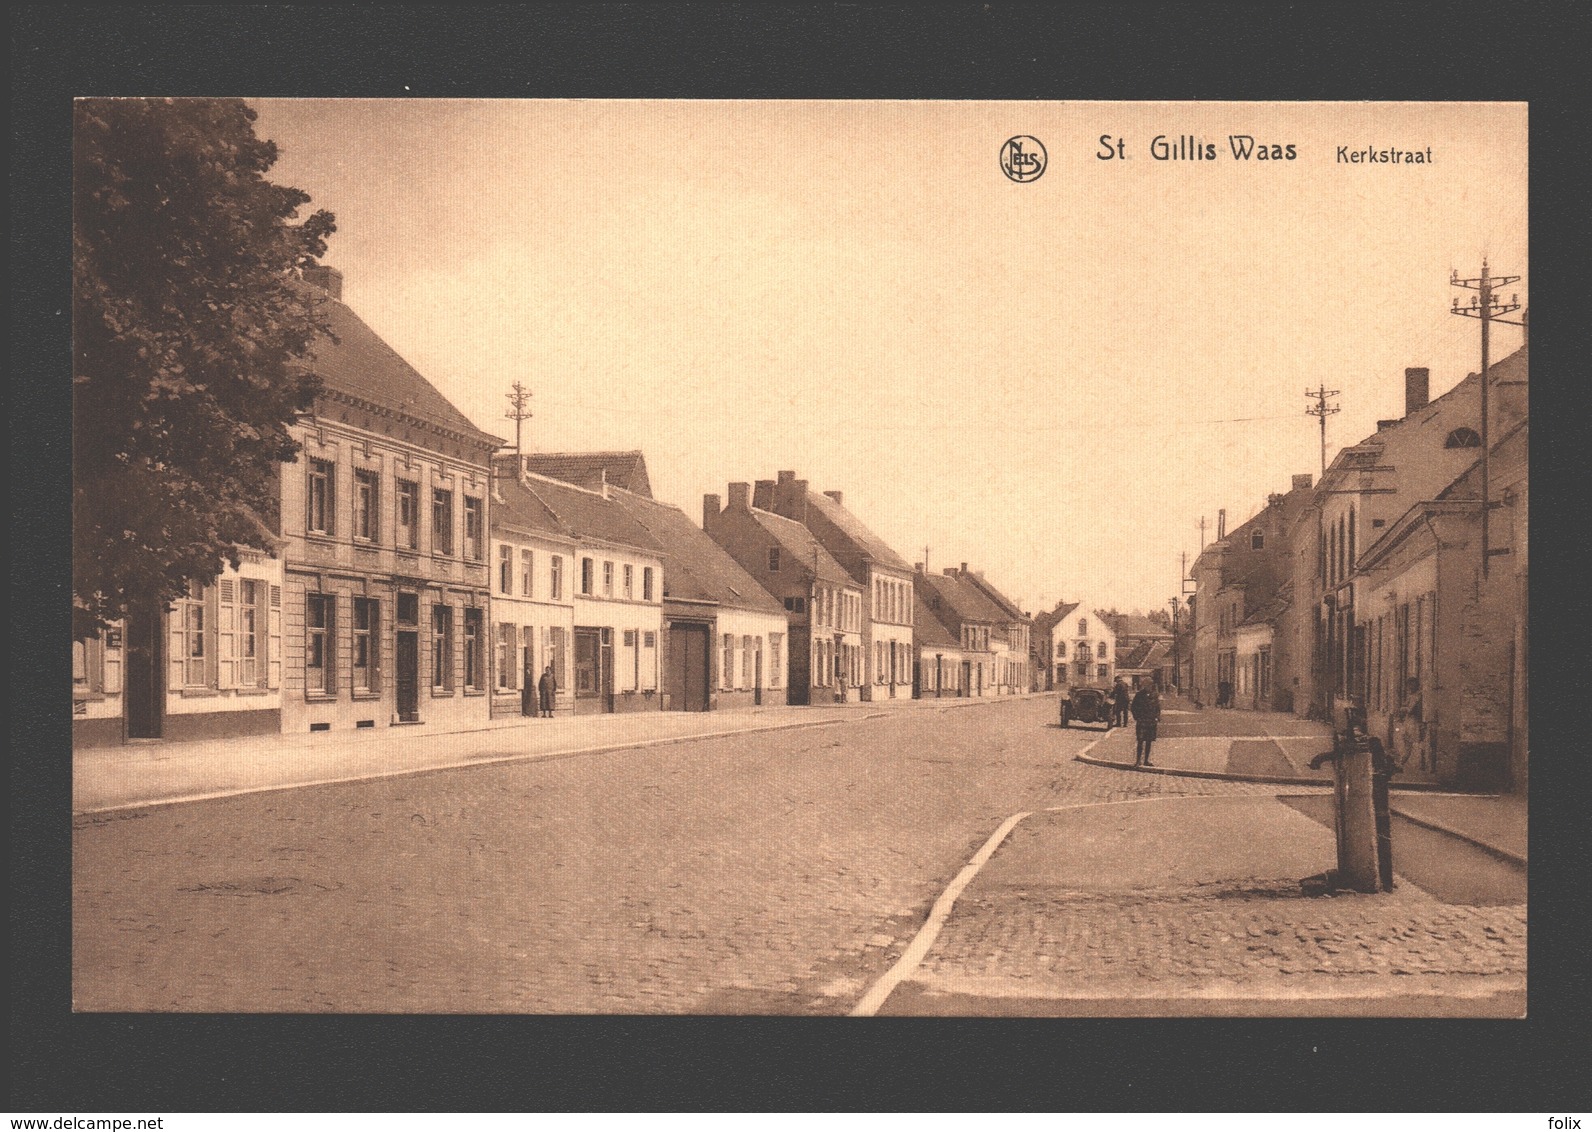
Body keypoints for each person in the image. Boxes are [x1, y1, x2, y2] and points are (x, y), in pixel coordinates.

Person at [1131, 679, 1162, 767]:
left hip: (1151, 721)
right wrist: (1136, 717)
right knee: (1140, 741)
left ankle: (1146, 760)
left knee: (1149, 741)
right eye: (1146, 685)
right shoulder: (1139, 695)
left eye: (1149, 685)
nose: (1148, 687)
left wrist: (1157, 717)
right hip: (1142, 720)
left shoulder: (1155, 695)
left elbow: (1158, 707)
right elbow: (1133, 707)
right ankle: (1138, 761)